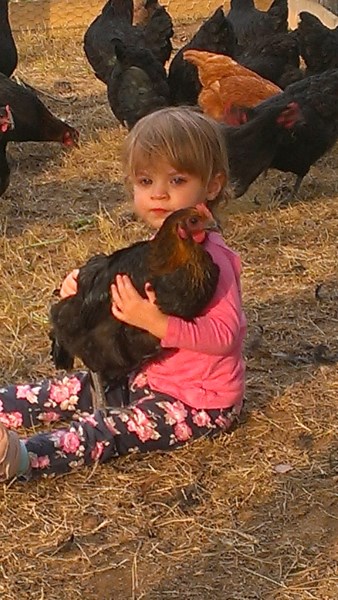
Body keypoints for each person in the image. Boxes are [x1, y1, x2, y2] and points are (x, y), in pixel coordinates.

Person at [0, 107, 247, 483]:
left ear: (212, 187)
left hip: (197, 401)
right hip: (143, 376)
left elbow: (226, 336)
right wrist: (79, 286)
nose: (159, 193)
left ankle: (25, 458)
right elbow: (119, 272)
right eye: (146, 180)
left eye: (177, 180)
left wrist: (157, 323)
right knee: (68, 390)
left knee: (108, 430)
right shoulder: (161, 245)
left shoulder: (214, 263)